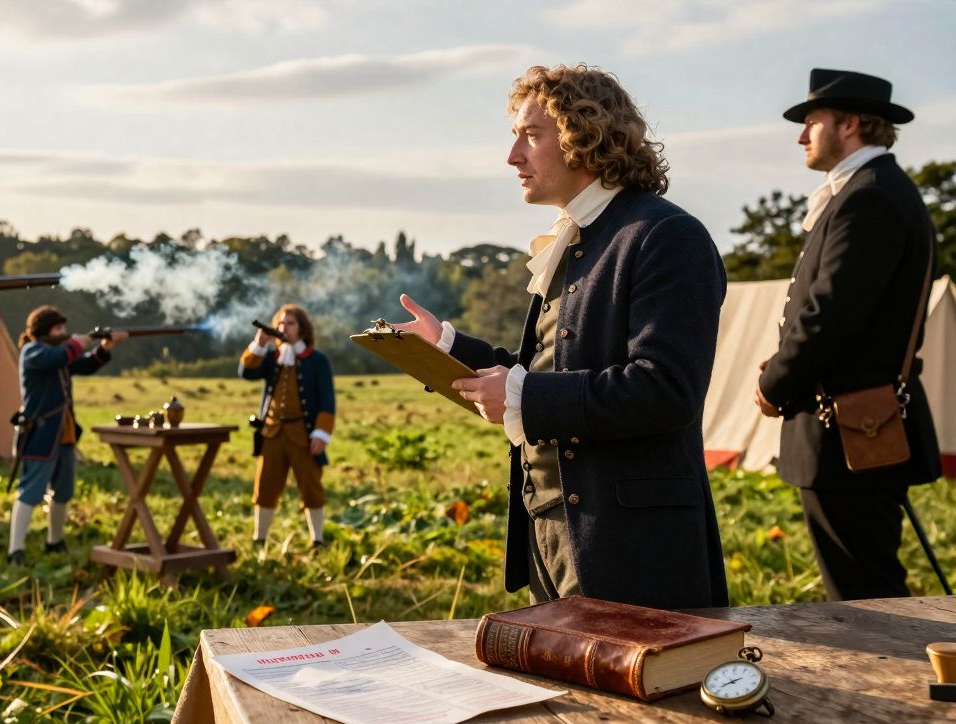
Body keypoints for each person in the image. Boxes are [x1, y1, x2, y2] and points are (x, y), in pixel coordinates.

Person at [393, 65, 728, 610]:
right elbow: (552, 372)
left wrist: (525, 396)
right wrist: (451, 348)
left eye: (531, 136)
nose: (513, 157)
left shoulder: (666, 237)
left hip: (630, 550)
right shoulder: (574, 239)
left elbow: (666, 390)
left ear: (584, 135)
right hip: (552, 535)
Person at [755, 69, 941, 601]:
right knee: (862, 589)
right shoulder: (870, 191)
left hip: (850, 430)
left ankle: (896, 685)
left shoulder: (871, 197)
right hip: (849, 424)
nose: (801, 135)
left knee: (864, 595)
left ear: (852, 124)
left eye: (811, 122)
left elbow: (828, 316)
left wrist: (774, 384)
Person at [9, 307, 126, 565]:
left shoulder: (59, 354)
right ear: (44, 332)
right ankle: (15, 550)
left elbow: (84, 364)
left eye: (63, 329)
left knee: (63, 491)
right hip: (40, 432)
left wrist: (105, 347)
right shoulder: (34, 351)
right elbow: (60, 356)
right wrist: (76, 343)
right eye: (58, 329)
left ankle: (55, 541)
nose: (63, 333)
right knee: (30, 492)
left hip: (64, 432)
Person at [239, 304, 336, 549]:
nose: (284, 328)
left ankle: (318, 540)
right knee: (265, 489)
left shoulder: (317, 360)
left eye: (290, 324)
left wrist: (321, 433)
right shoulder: (271, 358)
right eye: (281, 324)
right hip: (272, 433)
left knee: (311, 488)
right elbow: (246, 373)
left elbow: (327, 401)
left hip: (303, 435)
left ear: (302, 329)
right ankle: (259, 540)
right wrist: (259, 344)